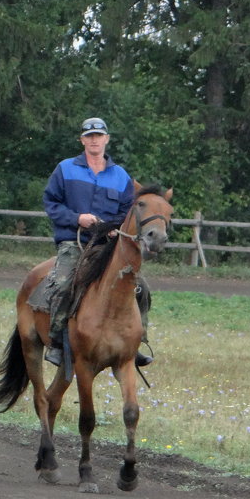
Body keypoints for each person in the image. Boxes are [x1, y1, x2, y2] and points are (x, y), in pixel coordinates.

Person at [42, 116, 152, 368]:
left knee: (141, 287)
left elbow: (127, 211)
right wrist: (76, 218)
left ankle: (137, 341)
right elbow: (51, 203)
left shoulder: (121, 176)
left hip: (108, 245)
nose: (94, 140)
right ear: (82, 140)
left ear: (106, 140)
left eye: (99, 136)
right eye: (89, 136)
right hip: (74, 241)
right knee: (62, 283)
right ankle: (58, 341)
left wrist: (115, 229)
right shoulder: (65, 169)